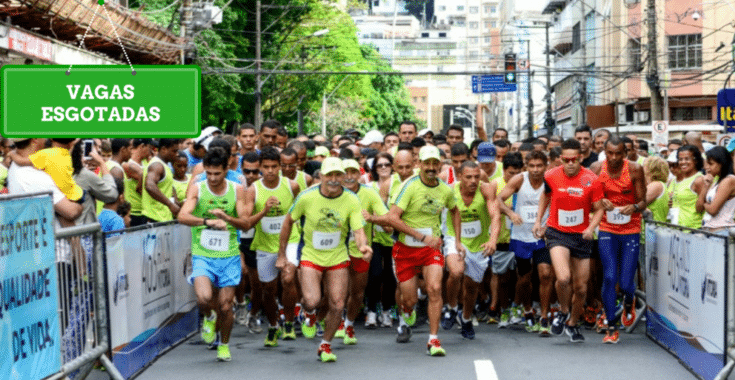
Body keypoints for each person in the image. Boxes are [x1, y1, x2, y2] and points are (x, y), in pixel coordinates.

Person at [370, 145, 463, 356]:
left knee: (434, 289)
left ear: (439, 165)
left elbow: (455, 211)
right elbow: (393, 218)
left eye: (435, 163)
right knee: (409, 299)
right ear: (419, 164)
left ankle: (433, 339)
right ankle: (408, 310)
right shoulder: (409, 186)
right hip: (406, 249)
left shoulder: (445, 189)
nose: (431, 167)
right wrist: (421, 236)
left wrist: (456, 240)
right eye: (427, 163)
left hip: (431, 250)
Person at [276, 157, 371, 363]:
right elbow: (288, 221)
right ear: (321, 176)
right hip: (311, 255)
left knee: (337, 304)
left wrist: (363, 246)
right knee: (312, 300)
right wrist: (282, 254)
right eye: (330, 175)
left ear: (344, 177)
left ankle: (325, 345)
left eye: (338, 175)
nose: (334, 180)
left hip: (337, 256)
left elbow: (358, 230)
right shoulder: (306, 197)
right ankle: (308, 312)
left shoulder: (351, 199)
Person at [178, 147, 253, 362]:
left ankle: (224, 344)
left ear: (226, 169)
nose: (212, 178)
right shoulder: (197, 188)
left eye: (216, 173)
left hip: (228, 253)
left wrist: (227, 219)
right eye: (208, 173)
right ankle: (209, 317)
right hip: (203, 252)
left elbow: (245, 222)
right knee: (204, 298)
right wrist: (207, 221)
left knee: (226, 305)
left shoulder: (237, 189)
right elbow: (182, 216)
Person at [533, 138, 603, 343]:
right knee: (563, 278)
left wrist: (591, 228)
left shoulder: (591, 179)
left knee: (581, 287)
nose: (570, 163)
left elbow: (599, 209)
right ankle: (563, 311)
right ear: (561, 159)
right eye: (566, 159)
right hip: (557, 232)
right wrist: (539, 221)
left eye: (574, 159)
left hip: (581, 235)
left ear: (580, 158)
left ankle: (572, 323)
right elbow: (545, 197)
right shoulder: (551, 175)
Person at [590, 137, 646, 344]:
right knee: (609, 276)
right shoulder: (596, 168)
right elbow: (589, 199)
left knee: (625, 282)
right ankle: (611, 327)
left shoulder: (635, 169)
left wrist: (635, 207)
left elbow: (643, 199)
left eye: (618, 154)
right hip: (607, 227)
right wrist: (599, 201)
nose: (614, 158)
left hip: (630, 228)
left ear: (625, 154)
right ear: (604, 151)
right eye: (610, 153)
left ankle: (629, 299)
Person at [244, 147, 302, 346]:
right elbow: (246, 222)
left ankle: (289, 322)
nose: (270, 171)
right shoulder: (253, 190)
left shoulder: (292, 186)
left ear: (280, 167)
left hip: (291, 240)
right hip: (265, 244)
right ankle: (273, 325)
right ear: (260, 167)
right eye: (266, 167)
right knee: (267, 290)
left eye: (274, 167)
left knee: (287, 277)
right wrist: (264, 211)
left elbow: (301, 211)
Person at [443, 161, 500, 339]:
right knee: (456, 272)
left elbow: (495, 215)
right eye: (468, 177)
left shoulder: (486, 190)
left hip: (479, 243)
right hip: (455, 238)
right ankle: (451, 308)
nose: (473, 181)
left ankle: (466, 318)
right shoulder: (450, 191)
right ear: (460, 177)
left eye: (476, 176)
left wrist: (492, 239)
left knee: (472, 287)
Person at [498, 150, 553, 336]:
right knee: (524, 278)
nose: (536, 170)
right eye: (532, 166)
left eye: (539, 166)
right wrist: (511, 213)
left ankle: (544, 317)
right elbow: (497, 200)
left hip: (543, 235)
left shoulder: (551, 180)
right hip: (521, 236)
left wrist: (549, 224)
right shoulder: (519, 180)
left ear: (546, 166)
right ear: (526, 166)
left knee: (545, 274)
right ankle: (527, 309)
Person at [340, 159, 389, 344]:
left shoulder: (369, 193)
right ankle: (336, 323)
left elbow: (385, 218)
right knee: (337, 292)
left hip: (361, 250)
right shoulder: (332, 193)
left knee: (358, 292)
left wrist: (372, 218)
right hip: (336, 251)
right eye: (346, 172)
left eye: (354, 172)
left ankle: (349, 325)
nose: (350, 176)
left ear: (360, 174)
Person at [365, 152, 398, 328]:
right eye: (380, 165)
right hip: (375, 236)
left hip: (394, 237)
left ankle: (386, 311)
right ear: (374, 169)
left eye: (387, 164)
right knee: (375, 274)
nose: (383, 168)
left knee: (390, 277)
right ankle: (371, 311)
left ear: (392, 166)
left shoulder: (397, 185)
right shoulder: (368, 186)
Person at [236, 152, 264, 333]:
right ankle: (240, 304)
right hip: (236, 238)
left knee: (257, 282)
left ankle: (253, 314)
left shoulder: (265, 187)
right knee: (240, 272)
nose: (251, 175)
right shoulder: (234, 186)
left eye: (255, 171)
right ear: (241, 169)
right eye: (247, 171)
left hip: (257, 238)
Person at [9, 138, 84, 203]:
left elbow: (22, 161)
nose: (45, 139)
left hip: (69, 195)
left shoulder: (45, 155)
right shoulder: (65, 153)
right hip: (75, 193)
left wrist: (12, 154)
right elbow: (72, 213)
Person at [142, 139, 181, 223]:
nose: (177, 154)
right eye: (174, 151)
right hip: (154, 218)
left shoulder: (164, 165)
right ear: (163, 149)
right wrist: (170, 205)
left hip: (162, 218)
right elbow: (149, 185)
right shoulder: (157, 165)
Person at [698, 146, 735, 232]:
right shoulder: (716, 180)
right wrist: (706, 186)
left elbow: (712, 210)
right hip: (710, 229)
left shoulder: (729, 180)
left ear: (721, 163)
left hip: (721, 230)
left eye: (710, 164)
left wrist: (705, 203)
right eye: (706, 163)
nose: (706, 167)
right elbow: (699, 207)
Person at [671, 145, 706, 228]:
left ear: (696, 160)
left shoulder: (699, 179)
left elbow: (702, 208)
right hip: (678, 228)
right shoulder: (680, 179)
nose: (683, 162)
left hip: (693, 229)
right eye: (680, 159)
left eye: (687, 159)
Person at [123, 139, 152, 227]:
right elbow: (141, 189)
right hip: (133, 212)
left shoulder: (146, 162)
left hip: (145, 211)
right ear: (142, 146)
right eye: (149, 147)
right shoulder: (128, 164)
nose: (151, 151)